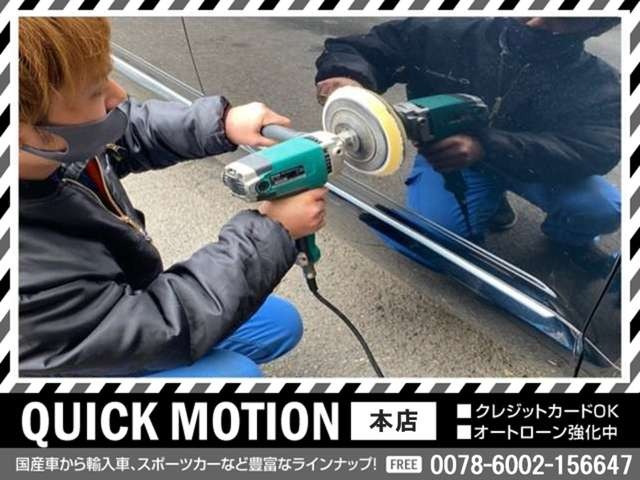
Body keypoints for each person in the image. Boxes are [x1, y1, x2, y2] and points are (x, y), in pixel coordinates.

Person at [19, 17, 327, 377]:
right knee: (237, 374)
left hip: (108, 308)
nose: (118, 96)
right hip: (81, 349)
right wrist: (273, 231)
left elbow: (128, 130)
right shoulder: (24, 276)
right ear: (25, 133)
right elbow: (153, 327)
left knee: (278, 324)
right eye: (95, 92)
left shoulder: (50, 147)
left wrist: (222, 124)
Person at [315, 17, 621, 271]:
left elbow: (597, 148)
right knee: (435, 243)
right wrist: (346, 75)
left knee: (603, 209)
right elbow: (368, 46)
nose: (536, 22)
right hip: (448, 157)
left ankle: (568, 240)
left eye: (562, 20)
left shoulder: (598, 84)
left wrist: (487, 146)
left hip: (533, 165)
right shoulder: (448, 33)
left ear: (596, 25)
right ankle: (487, 206)